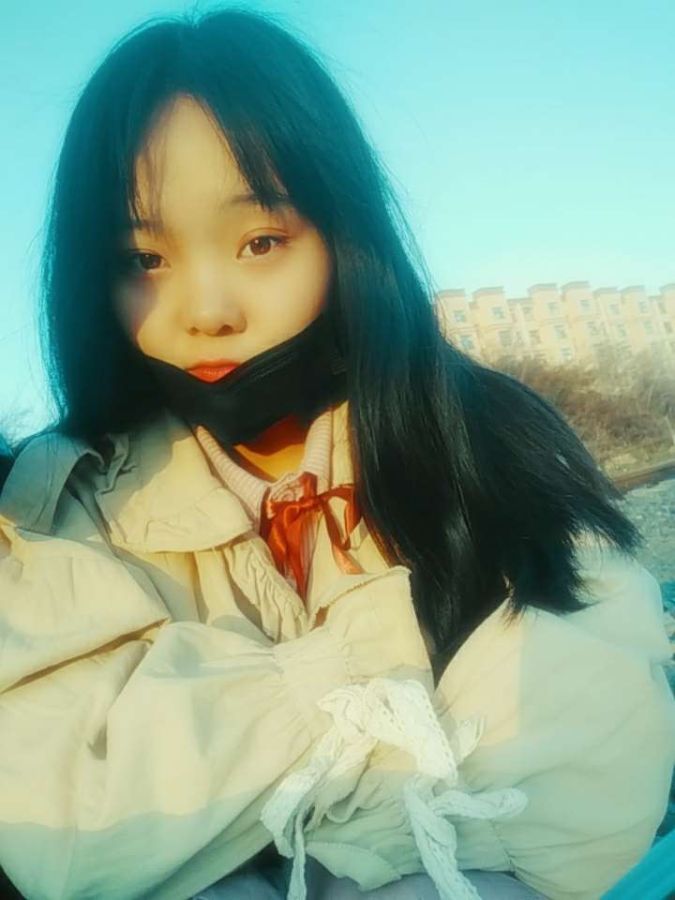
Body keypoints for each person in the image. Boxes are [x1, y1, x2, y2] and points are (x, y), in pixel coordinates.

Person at [0, 8, 673, 900]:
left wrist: (253, 830)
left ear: (343, 234)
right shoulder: (63, 504)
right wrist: (365, 679)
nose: (206, 310)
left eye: (260, 242)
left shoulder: (484, 439)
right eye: (143, 259)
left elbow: (587, 781)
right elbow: (69, 824)